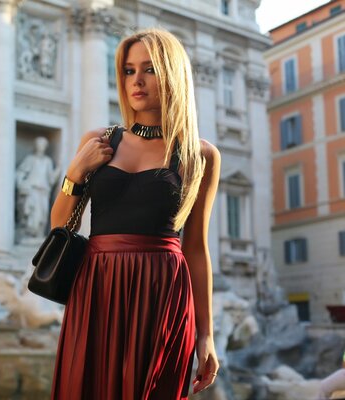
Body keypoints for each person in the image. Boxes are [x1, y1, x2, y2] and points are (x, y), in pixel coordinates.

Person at [49, 28, 220, 399]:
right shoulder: (99, 141)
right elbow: (60, 225)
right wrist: (75, 174)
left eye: (149, 69)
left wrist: (206, 334)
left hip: (162, 293)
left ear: (172, 74)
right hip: (97, 287)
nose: (136, 81)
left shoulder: (200, 155)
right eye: (128, 71)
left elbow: (196, 249)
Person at [16, 136, 61, 238]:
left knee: (42, 215)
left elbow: (51, 179)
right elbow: (20, 172)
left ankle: (39, 235)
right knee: (32, 215)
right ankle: (30, 235)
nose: (41, 147)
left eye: (43, 145)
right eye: (39, 144)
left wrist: (58, 170)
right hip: (32, 190)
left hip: (43, 192)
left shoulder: (48, 161)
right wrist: (22, 184)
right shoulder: (30, 159)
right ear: (36, 146)